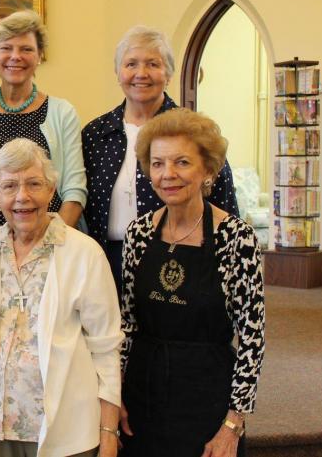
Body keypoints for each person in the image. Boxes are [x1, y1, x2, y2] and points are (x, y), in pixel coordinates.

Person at [0, 138, 122, 457]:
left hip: (67, 433)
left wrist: (109, 434)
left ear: (51, 190)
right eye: (9, 186)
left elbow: (106, 349)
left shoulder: (84, 253)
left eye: (34, 183)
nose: (22, 197)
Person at [119, 108, 265, 457]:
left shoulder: (236, 238)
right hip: (143, 393)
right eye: (157, 163)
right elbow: (127, 322)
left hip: (207, 398)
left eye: (182, 162)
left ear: (208, 170)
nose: (167, 174)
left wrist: (233, 423)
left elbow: (252, 338)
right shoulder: (138, 233)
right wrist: (117, 394)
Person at [82, 26, 239, 294]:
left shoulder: (193, 130)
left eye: (153, 64)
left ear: (168, 74)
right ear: (118, 72)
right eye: (131, 64)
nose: (141, 74)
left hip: (177, 255)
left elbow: (221, 197)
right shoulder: (95, 134)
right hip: (106, 259)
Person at [0, 10, 87, 242]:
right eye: (6, 48)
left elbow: (75, 190)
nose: (15, 56)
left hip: (53, 246)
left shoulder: (62, 112)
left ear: (39, 56)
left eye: (26, 49)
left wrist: (47, 247)